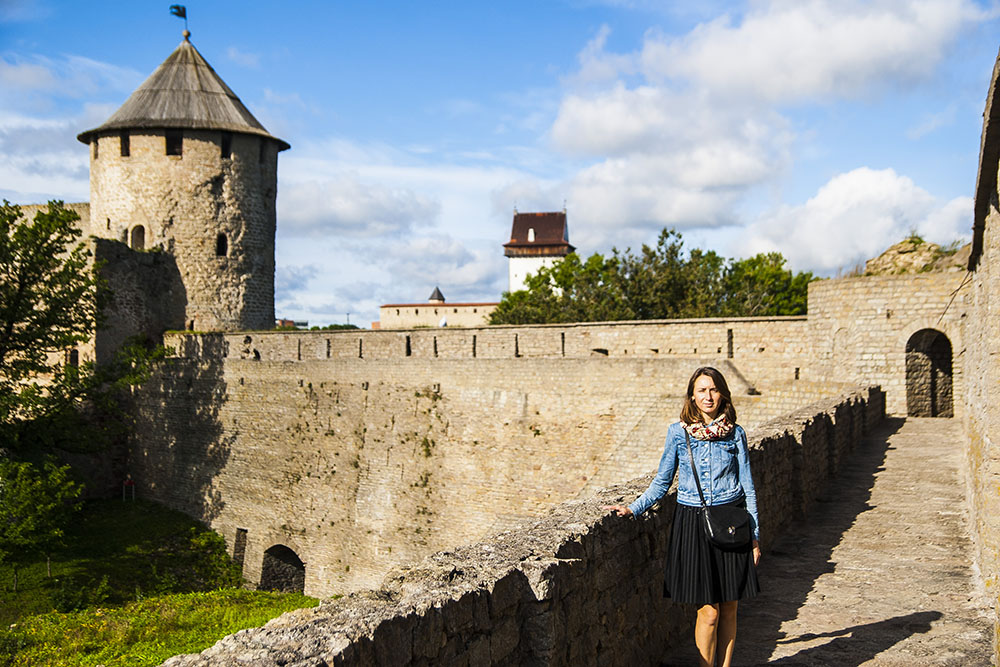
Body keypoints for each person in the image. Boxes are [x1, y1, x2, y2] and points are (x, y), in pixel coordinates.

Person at [606, 366, 761, 667]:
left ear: (722, 393)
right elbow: (662, 481)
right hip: (693, 524)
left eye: (714, 389)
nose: (708, 396)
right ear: (692, 395)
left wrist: (755, 535)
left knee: (730, 607)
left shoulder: (736, 433)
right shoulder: (678, 433)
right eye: (702, 390)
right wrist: (634, 508)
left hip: (731, 522)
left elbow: (749, 488)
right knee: (710, 612)